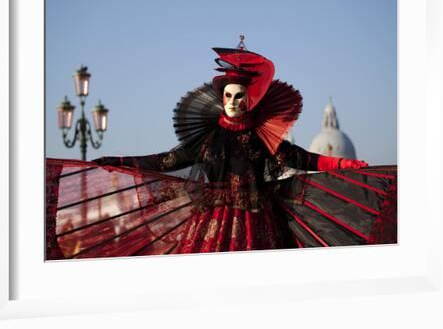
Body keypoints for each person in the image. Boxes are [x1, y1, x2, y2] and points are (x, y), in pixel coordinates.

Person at [91, 46, 378, 254]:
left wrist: (344, 165)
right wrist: (118, 161)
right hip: (212, 220)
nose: (232, 101)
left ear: (249, 100)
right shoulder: (207, 138)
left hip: (257, 219)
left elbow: (302, 158)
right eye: (227, 95)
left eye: (239, 96)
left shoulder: (262, 138)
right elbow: (164, 160)